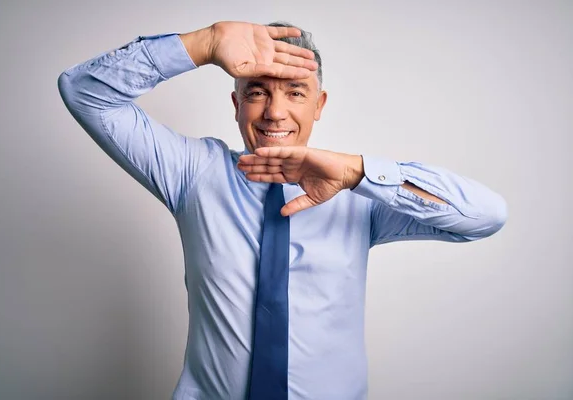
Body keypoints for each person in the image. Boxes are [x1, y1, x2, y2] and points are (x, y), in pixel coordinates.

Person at [58, 21, 508, 400]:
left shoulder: (361, 196)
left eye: (295, 93)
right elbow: (83, 91)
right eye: (256, 92)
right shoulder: (194, 173)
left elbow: (484, 216)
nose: (275, 113)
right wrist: (206, 44)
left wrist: (357, 173)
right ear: (236, 105)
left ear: (319, 105)